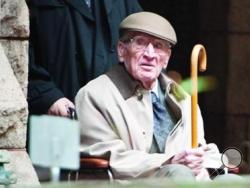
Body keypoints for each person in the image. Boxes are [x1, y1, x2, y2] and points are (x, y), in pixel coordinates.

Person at [75, 12, 224, 180]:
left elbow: (198, 148)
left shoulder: (182, 97)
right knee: (179, 174)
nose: (150, 54)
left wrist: (209, 165)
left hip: (185, 179)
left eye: (159, 46)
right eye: (140, 43)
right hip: (133, 183)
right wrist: (169, 161)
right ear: (121, 50)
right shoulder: (94, 95)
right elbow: (107, 156)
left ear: (167, 58)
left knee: (231, 181)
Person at [27, 0, 142, 117]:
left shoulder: (124, 3)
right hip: (60, 114)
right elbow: (21, 57)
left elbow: (145, 49)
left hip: (113, 114)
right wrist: (48, 96)